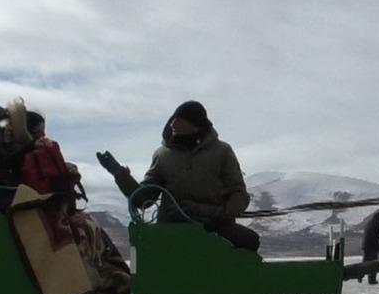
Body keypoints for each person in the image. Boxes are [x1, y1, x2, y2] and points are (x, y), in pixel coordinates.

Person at [97, 100, 260, 252]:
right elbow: (144, 198)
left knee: (249, 241)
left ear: (196, 125)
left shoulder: (222, 152)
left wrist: (220, 214)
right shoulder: (162, 155)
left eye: (180, 120)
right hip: (172, 226)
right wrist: (120, 174)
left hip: (214, 225)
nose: (173, 124)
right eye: (173, 119)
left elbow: (238, 193)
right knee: (147, 248)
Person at [19, 110, 131, 294]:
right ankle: (90, 281)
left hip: (50, 207)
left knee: (90, 226)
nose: (43, 137)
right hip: (39, 210)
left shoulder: (35, 152)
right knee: (78, 230)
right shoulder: (26, 154)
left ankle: (110, 276)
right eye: (39, 132)